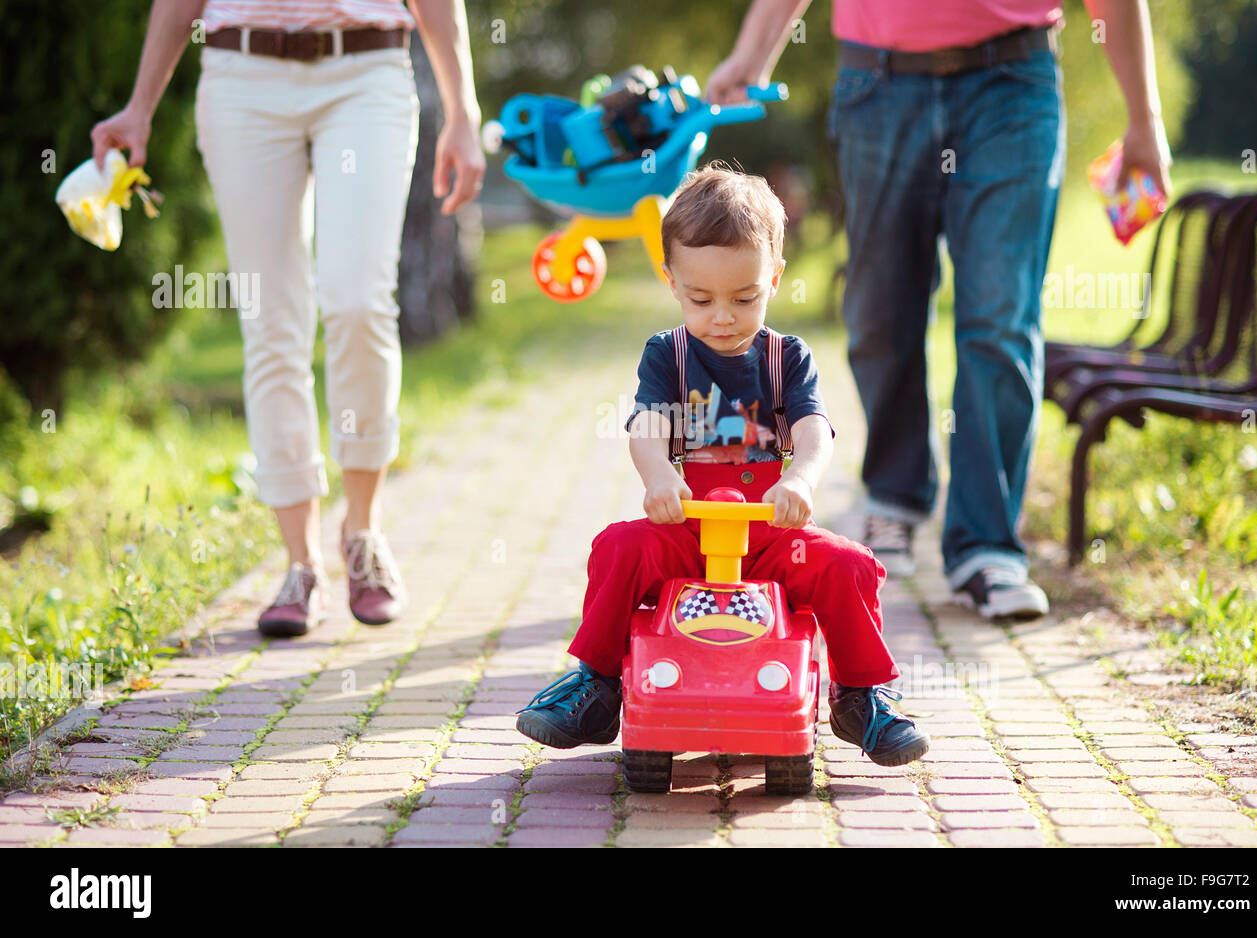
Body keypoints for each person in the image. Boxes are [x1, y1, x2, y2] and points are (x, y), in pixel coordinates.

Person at [706, 0, 1173, 618]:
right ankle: (895, 497)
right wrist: (752, 57)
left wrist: (1145, 116)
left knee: (1000, 316)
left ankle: (987, 545)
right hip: (878, 84)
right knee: (880, 306)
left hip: (1012, 81)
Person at [91, 0, 486, 636]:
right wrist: (139, 106)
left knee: (359, 303)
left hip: (367, 71)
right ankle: (300, 565)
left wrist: (462, 111)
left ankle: (362, 531)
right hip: (242, 78)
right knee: (270, 321)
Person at [515, 164, 929, 767]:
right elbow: (649, 425)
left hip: (771, 536)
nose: (723, 317)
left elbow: (813, 428)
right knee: (619, 548)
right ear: (672, 281)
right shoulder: (667, 354)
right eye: (701, 299)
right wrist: (660, 477)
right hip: (689, 530)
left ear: (775, 279)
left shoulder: (788, 357)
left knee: (848, 565)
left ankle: (862, 695)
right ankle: (596, 684)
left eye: (745, 298)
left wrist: (800, 479)